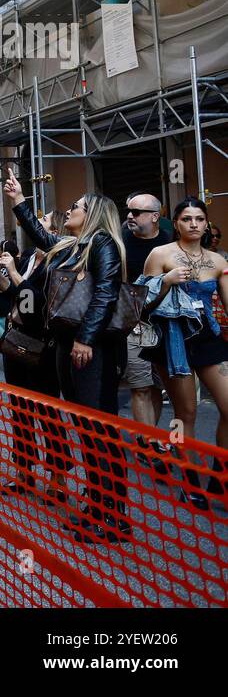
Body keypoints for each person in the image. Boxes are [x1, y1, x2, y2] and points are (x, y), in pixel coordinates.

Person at [5, 171, 129, 544]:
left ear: (92, 214)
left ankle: (112, 515)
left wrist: (86, 339)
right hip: (66, 343)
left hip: (90, 348)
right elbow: (42, 236)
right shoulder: (74, 245)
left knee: (98, 430)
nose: (69, 210)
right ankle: (97, 507)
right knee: (85, 429)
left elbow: (105, 295)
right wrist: (18, 200)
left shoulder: (103, 244)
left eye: (76, 207)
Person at [137, 197, 228, 511]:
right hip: (171, 339)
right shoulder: (159, 254)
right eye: (187, 218)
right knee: (185, 412)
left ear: (205, 223)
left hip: (207, 338)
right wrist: (165, 280)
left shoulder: (217, 261)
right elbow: (142, 303)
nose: (194, 224)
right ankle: (190, 482)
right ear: (175, 223)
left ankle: (219, 476)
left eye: (199, 219)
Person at [0, 213, 72, 502]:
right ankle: (24, 470)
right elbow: (18, 297)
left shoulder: (58, 261)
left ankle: (58, 475)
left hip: (42, 345)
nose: (36, 225)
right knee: (20, 410)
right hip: (16, 340)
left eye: (44, 223)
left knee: (48, 413)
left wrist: (13, 272)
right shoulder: (29, 258)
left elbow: (37, 304)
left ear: (53, 233)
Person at [122, 192, 173, 432]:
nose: (130, 216)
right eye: (129, 212)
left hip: (165, 324)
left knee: (156, 386)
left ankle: (151, 435)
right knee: (140, 386)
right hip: (134, 324)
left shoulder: (170, 243)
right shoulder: (120, 242)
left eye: (136, 212)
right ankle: (149, 444)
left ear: (155, 216)